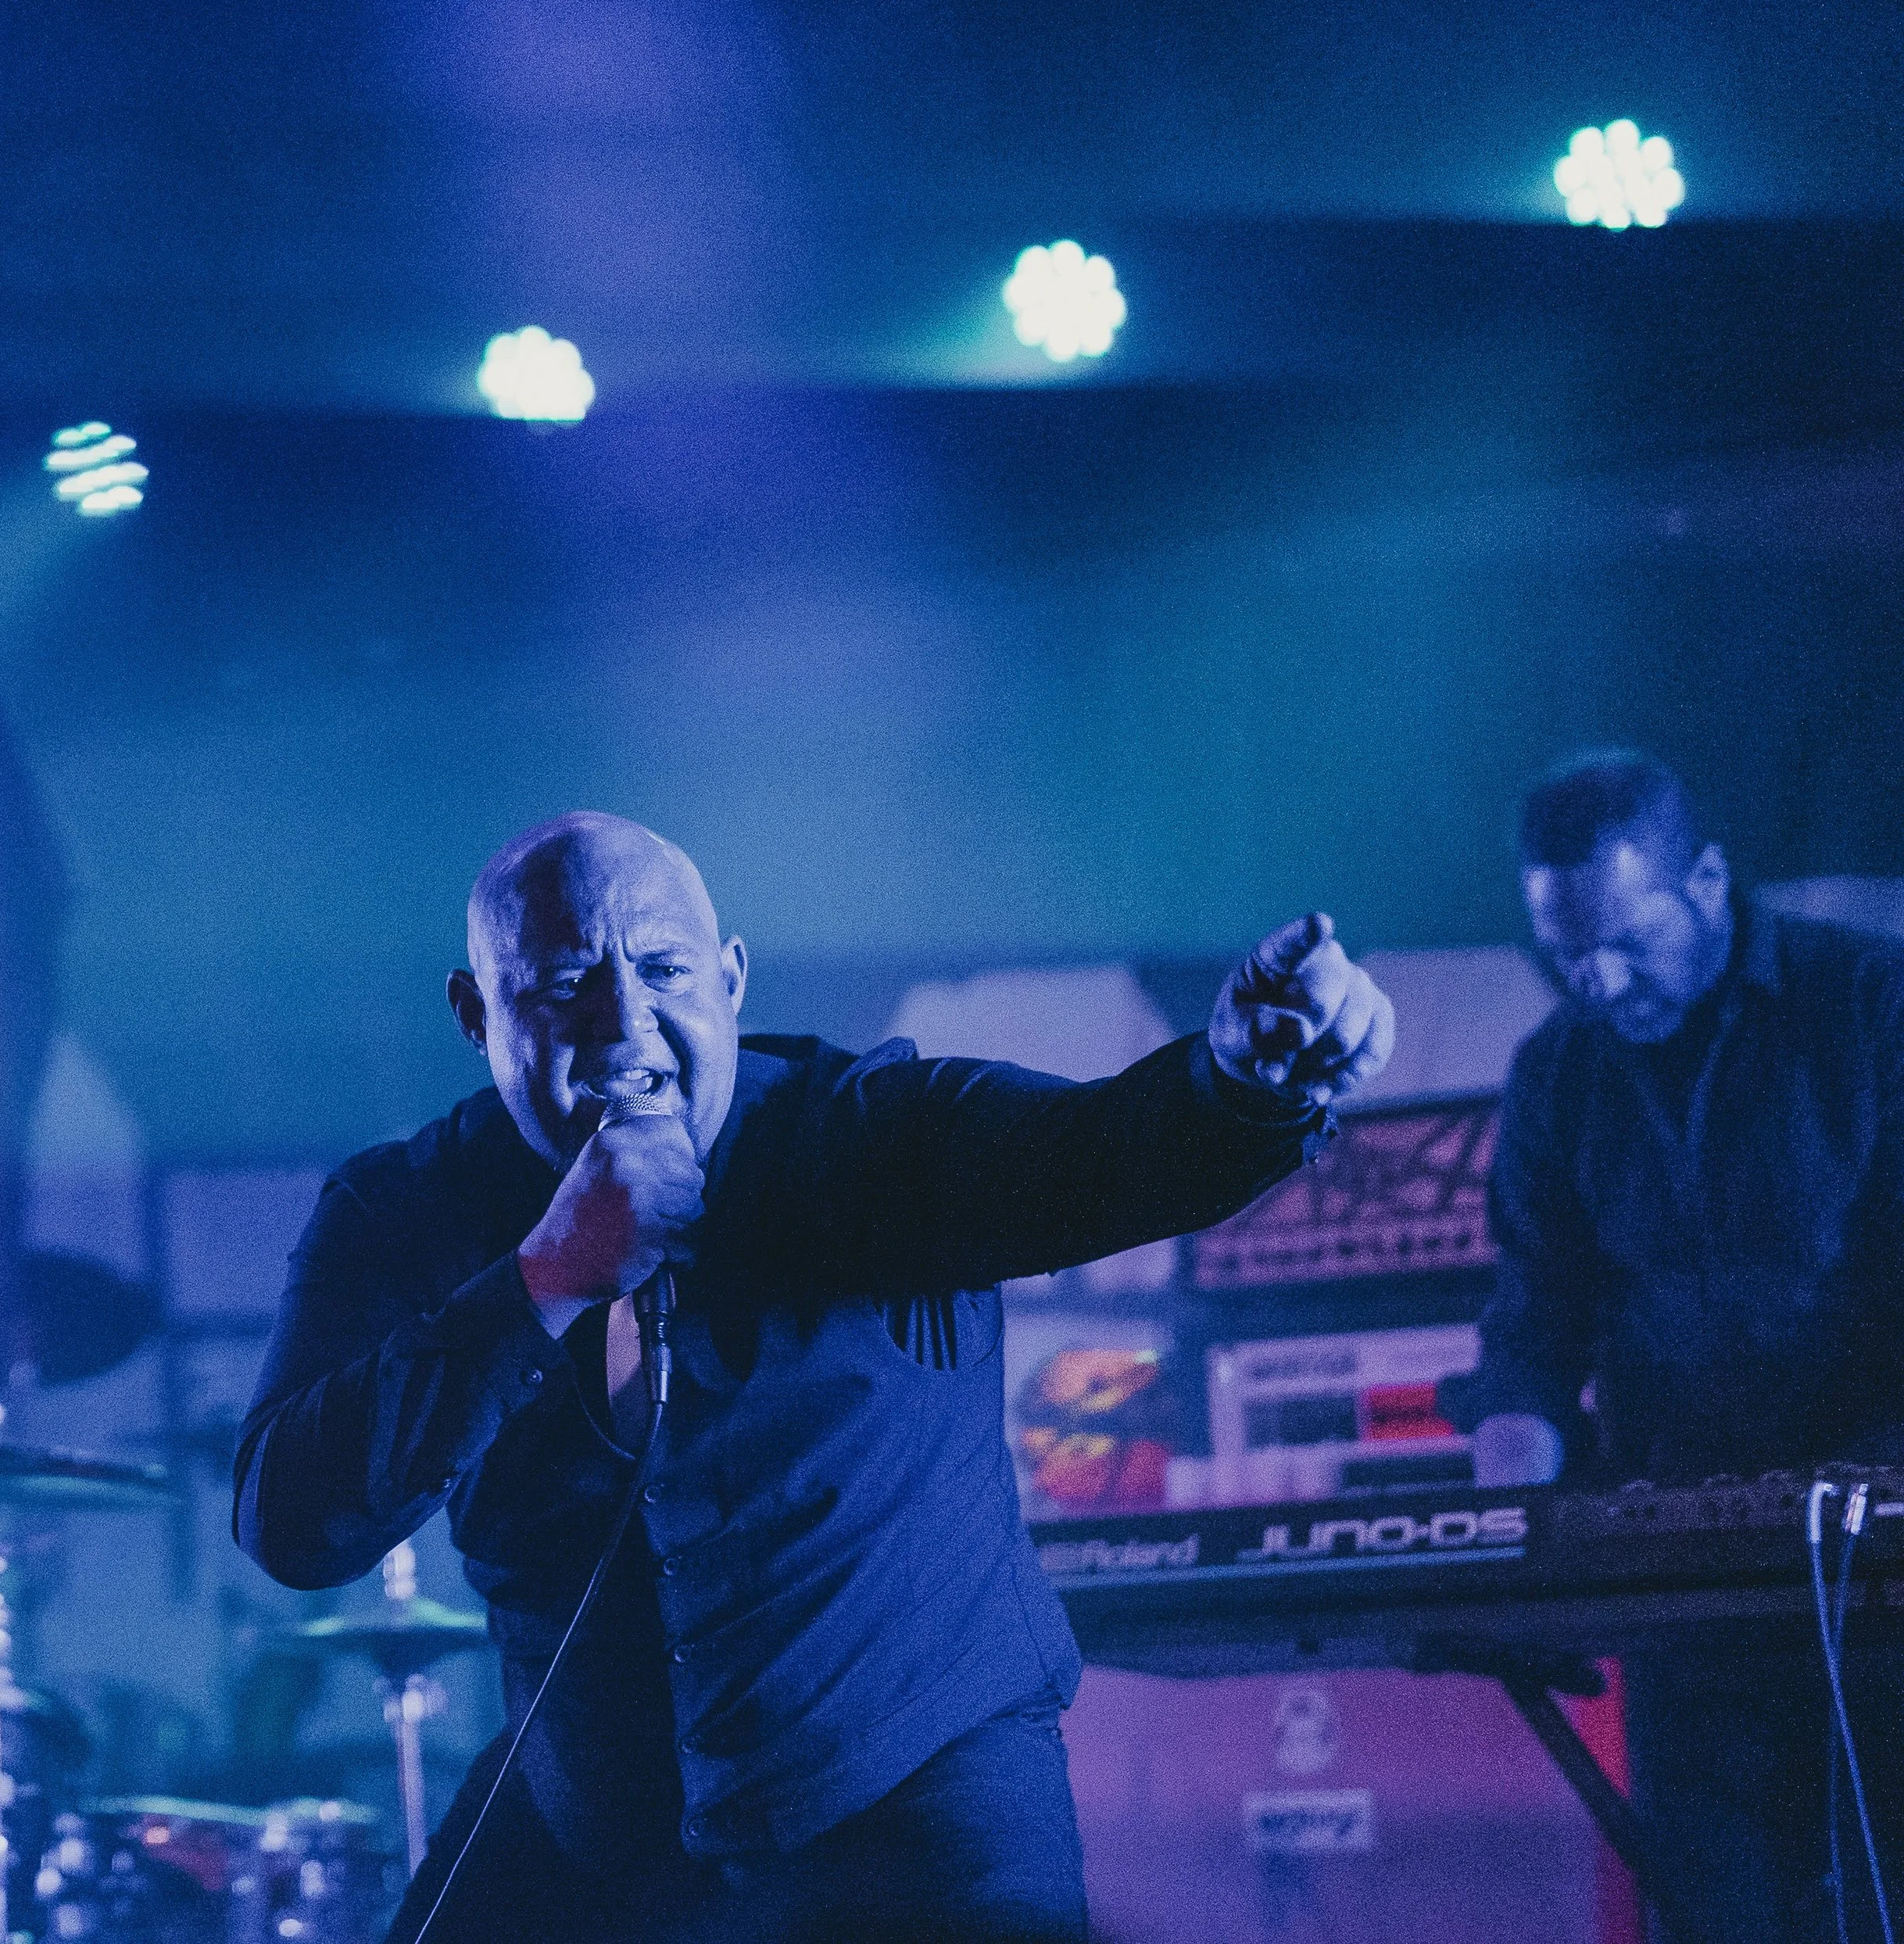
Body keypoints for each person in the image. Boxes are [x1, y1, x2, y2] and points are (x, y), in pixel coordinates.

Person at [234, 811, 1392, 1944]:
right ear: (475, 1013)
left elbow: (1101, 1151)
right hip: (597, 1813)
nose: (622, 1024)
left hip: (916, 1792)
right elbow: (289, 1517)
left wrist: (1245, 1080)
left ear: (732, 981)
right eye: (563, 985)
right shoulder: (401, 1211)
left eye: (662, 970)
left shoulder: (870, 1135)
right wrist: (546, 1278)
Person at [1458, 750, 1904, 1944]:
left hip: (1886, 1583)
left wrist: (1857, 1488)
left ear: (1706, 879)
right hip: (1690, 1595)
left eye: (1625, 938)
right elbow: (1534, 1322)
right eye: (1565, 952)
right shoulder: (1558, 1074)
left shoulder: (1872, 1007)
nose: (1597, 979)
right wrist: (1509, 1512)